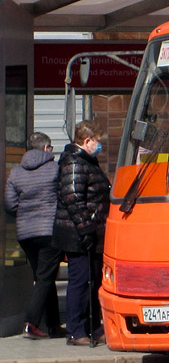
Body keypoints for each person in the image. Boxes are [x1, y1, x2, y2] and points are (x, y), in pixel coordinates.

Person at [54, 121, 111, 347]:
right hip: (78, 233)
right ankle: (76, 330)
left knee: (92, 281)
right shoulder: (75, 163)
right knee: (80, 281)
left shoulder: (87, 161)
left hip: (92, 231)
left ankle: (93, 328)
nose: (100, 146)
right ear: (87, 141)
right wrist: (86, 228)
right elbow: (73, 199)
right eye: (98, 141)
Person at [5, 132, 62, 339]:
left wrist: (26, 213)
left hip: (25, 233)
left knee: (44, 276)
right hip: (49, 230)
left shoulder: (16, 172)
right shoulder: (55, 169)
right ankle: (31, 323)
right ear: (46, 148)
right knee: (45, 277)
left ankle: (54, 324)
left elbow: (10, 204)